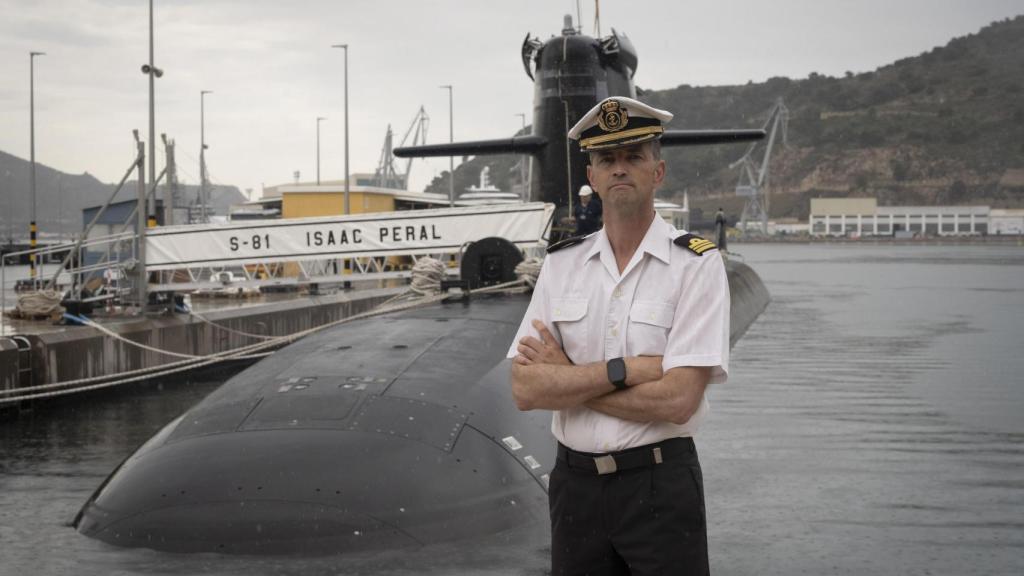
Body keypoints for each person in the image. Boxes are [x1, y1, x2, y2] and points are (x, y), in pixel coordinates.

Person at [508, 96, 730, 576]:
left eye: (634, 156)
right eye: (607, 159)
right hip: (574, 490)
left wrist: (568, 380)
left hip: (659, 486)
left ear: (658, 171)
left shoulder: (696, 264)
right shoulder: (562, 265)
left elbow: (678, 402)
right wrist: (624, 371)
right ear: (592, 177)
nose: (620, 168)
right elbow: (526, 389)